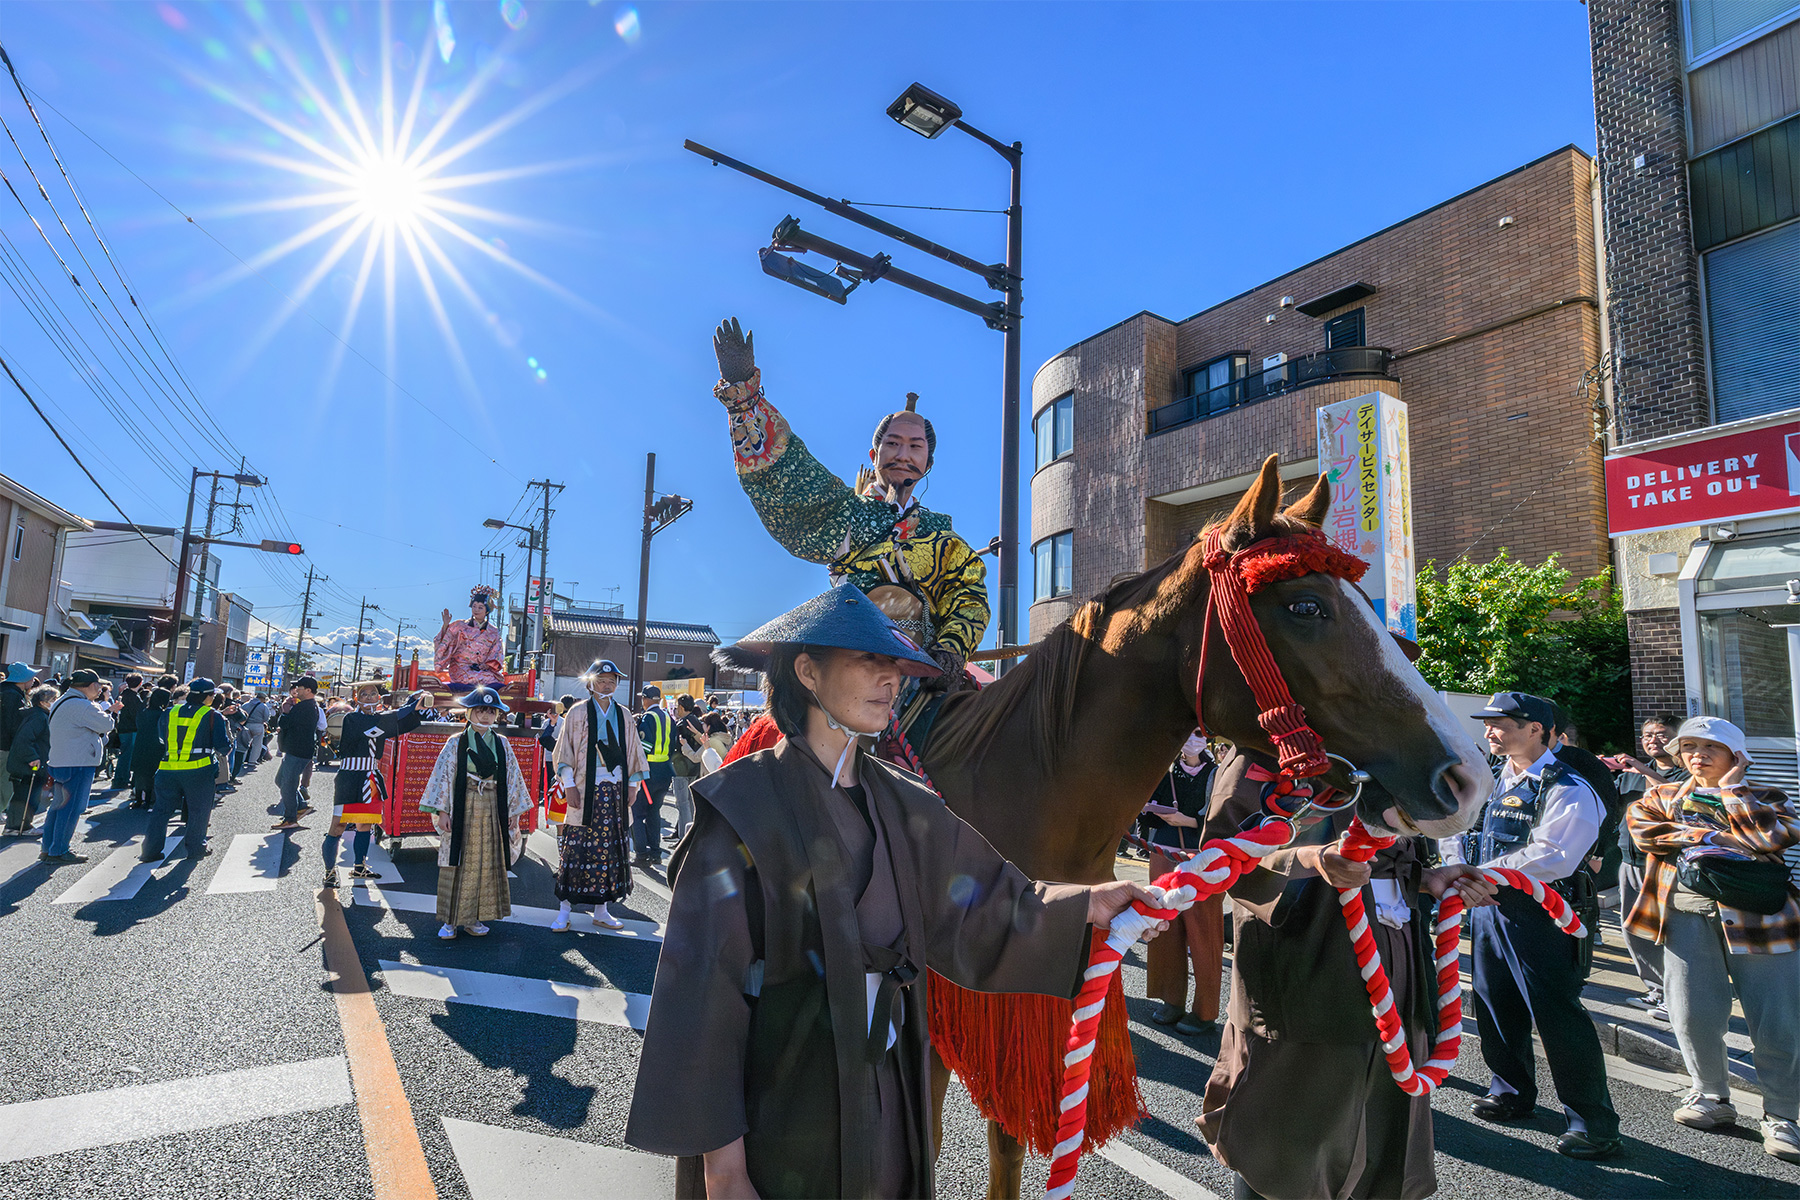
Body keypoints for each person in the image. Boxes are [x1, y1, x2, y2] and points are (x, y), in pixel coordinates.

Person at [624, 584, 1166, 1197]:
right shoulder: (742, 808)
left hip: (889, 1082)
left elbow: (986, 903)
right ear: (807, 671)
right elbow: (701, 1000)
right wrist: (723, 1170)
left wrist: (1088, 904)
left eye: (897, 666)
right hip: (781, 1093)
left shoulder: (904, 801)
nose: (891, 681)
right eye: (869, 662)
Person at [1198, 746, 1496, 1200]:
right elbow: (1223, 858)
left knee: (1384, 1124)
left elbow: (1395, 855)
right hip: (1309, 965)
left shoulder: (1391, 745)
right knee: (1284, 1141)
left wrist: (1429, 878)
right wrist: (1313, 858)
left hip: (1395, 957)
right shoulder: (1263, 753)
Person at [710, 317, 990, 684]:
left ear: (928, 463)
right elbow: (791, 475)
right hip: (851, 662)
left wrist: (951, 650)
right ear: (873, 455)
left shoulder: (942, 536)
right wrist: (744, 398)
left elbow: (967, 592)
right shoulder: (846, 514)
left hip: (926, 669)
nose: (903, 453)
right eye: (892, 443)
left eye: (915, 446)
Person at [1439, 691, 1621, 1159]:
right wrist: (1458, 872)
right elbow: (1460, 829)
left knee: (1557, 1014)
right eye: (1488, 723)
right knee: (1494, 1003)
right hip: (1487, 906)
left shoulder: (1568, 785)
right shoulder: (1495, 778)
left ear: (1536, 728)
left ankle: (1592, 1122)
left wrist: (1480, 876)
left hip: (1543, 913)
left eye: (1500, 723)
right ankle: (1511, 1091)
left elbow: (1555, 855)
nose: (1488, 732)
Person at [1625, 715, 1800, 1164]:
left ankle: (1782, 1114)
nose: (1696, 755)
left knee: (1777, 1022)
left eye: (1710, 748)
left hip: (1763, 923)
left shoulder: (1766, 796)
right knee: (1692, 1014)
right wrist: (1712, 835)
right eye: (1689, 748)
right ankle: (1710, 1095)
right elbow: (1645, 832)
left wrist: (1733, 789)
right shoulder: (1661, 794)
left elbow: (1771, 836)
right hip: (1684, 919)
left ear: (1736, 756)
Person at [420, 686, 530, 940]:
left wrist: (513, 812)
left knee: (486, 861)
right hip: (463, 803)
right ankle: (450, 920)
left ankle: (474, 918)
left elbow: (512, 777)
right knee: (458, 861)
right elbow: (443, 777)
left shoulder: (501, 743)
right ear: (469, 712)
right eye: (480, 710)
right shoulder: (456, 742)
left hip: (492, 805)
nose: (485, 716)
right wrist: (442, 810)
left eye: (491, 712)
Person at [550, 660, 646, 932]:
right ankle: (564, 910)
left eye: (612, 680)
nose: (607, 685)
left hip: (614, 789)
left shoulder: (624, 714)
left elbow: (633, 752)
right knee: (575, 848)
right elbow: (564, 750)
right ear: (590, 683)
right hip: (583, 788)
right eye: (602, 680)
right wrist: (568, 784)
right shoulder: (578, 712)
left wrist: (633, 786)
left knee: (608, 851)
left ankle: (601, 910)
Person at [1142, 731, 1223, 1036]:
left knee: (1204, 931)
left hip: (1203, 857)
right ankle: (1170, 1000)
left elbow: (1225, 819)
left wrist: (1187, 821)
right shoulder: (1166, 769)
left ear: (1209, 741)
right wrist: (1154, 811)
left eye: (1199, 735)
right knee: (1163, 925)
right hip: (1163, 852)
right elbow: (1146, 814)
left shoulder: (1218, 773)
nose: (1192, 740)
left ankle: (1204, 1012)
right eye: (1187, 735)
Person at [1612, 713, 1689, 1014]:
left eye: (1660, 734)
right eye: (1646, 735)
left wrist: (1644, 770)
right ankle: (1657, 990)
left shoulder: (1686, 774)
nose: (1652, 740)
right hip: (1630, 861)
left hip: (1668, 863)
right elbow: (1613, 811)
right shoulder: (1629, 775)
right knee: (1633, 928)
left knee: (1671, 931)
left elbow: (1681, 802)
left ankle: (1678, 997)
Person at [326, 681, 423, 886]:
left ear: (379, 698)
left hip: (370, 776)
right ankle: (329, 871)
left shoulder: (379, 720)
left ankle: (359, 867)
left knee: (365, 825)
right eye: (364, 694)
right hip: (349, 777)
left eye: (373, 694)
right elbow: (383, 724)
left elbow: (403, 724)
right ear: (357, 699)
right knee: (338, 826)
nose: (369, 697)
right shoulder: (352, 718)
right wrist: (409, 705)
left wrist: (418, 709)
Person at [139, 677, 232, 862]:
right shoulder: (213, 715)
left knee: (161, 811)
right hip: (199, 770)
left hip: (167, 768)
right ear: (208, 697)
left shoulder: (169, 712)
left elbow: (161, 739)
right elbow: (223, 747)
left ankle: (150, 851)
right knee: (199, 811)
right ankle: (196, 849)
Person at [40, 670, 120, 865]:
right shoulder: (82, 705)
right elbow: (106, 724)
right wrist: (110, 712)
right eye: (98, 685)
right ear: (90, 685)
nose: (101, 689)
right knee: (72, 808)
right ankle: (59, 850)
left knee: (58, 807)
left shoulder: (63, 700)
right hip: (77, 763)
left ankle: (49, 847)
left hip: (61, 760)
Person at [4, 684, 56, 837]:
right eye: (52, 699)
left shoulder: (36, 714)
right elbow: (24, 739)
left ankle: (16, 826)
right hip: (30, 764)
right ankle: (20, 827)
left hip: (27, 763)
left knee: (24, 794)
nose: (55, 701)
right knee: (28, 795)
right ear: (42, 702)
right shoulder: (38, 716)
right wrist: (32, 757)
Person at [273, 677, 324, 830]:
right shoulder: (309, 706)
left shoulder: (304, 707)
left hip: (297, 750)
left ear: (308, 690)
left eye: (299, 687)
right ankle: (301, 805)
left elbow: (284, 723)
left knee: (288, 784)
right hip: (299, 750)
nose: (296, 691)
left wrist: (286, 710)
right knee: (280, 780)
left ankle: (290, 818)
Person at [433, 585, 506, 691]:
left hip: (482, 669)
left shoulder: (493, 631)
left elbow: (497, 651)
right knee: (477, 679)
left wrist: (487, 665)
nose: (476, 610)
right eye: (474, 606)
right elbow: (444, 642)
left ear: (487, 611)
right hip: (460, 667)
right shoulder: (460, 626)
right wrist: (445, 625)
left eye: (480, 607)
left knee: (491, 679)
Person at [634, 685, 674, 868]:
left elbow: (644, 747)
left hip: (648, 771)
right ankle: (656, 853)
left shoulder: (648, 717)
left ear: (646, 699)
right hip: (665, 771)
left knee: (636, 814)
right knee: (654, 813)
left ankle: (642, 854)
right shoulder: (668, 717)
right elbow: (673, 745)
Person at [0, 663, 40, 830]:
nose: (32, 680)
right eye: (30, 677)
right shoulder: (13, 696)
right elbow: (13, 724)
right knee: (5, 781)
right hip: (6, 745)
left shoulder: (5, 691)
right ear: (23, 679)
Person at [667, 693, 706, 844]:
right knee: (689, 803)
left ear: (682, 707)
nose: (676, 709)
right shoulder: (697, 721)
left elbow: (676, 746)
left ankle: (685, 839)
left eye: (677, 706)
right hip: (695, 768)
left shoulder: (682, 724)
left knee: (682, 804)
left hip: (681, 768)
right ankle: (683, 834)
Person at [128, 687, 172, 810]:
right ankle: (148, 800)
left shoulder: (143, 711)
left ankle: (138, 799)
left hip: (141, 744)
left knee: (140, 773)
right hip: (156, 745)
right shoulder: (162, 714)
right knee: (152, 773)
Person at [109, 673, 145, 792]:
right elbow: (136, 715)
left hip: (122, 728)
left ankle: (120, 778)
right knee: (127, 755)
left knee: (124, 754)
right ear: (140, 683)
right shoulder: (134, 697)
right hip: (131, 729)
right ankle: (121, 779)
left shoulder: (123, 695)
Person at [235, 689, 272, 782]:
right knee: (257, 744)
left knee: (244, 744)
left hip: (246, 725)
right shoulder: (263, 706)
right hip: (258, 725)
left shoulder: (246, 704)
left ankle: (242, 760)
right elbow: (266, 717)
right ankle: (252, 761)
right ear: (262, 698)